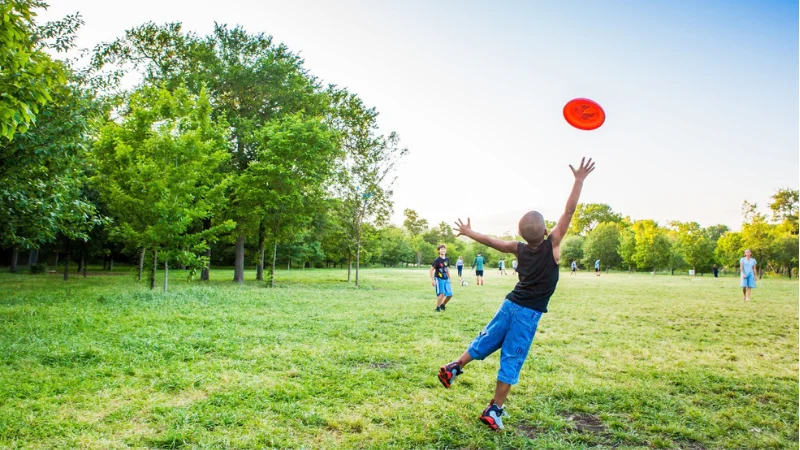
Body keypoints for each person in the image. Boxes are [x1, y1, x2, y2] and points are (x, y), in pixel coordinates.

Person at [437, 157, 595, 431]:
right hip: (527, 314)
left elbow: (492, 241)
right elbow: (568, 212)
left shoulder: (518, 249)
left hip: (509, 304)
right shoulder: (552, 246)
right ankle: (494, 409)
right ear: (547, 231)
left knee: (487, 339)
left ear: (521, 234)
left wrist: (469, 231)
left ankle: (454, 366)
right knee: (512, 357)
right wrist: (578, 180)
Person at [430, 244, 453, 312]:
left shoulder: (447, 259)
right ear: (439, 251)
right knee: (441, 294)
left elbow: (447, 269)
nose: (443, 250)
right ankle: (437, 308)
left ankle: (442, 305)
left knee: (450, 294)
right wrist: (433, 280)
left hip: (446, 278)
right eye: (441, 249)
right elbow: (431, 270)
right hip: (439, 278)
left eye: (444, 249)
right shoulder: (437, 260)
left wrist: (449, 278)